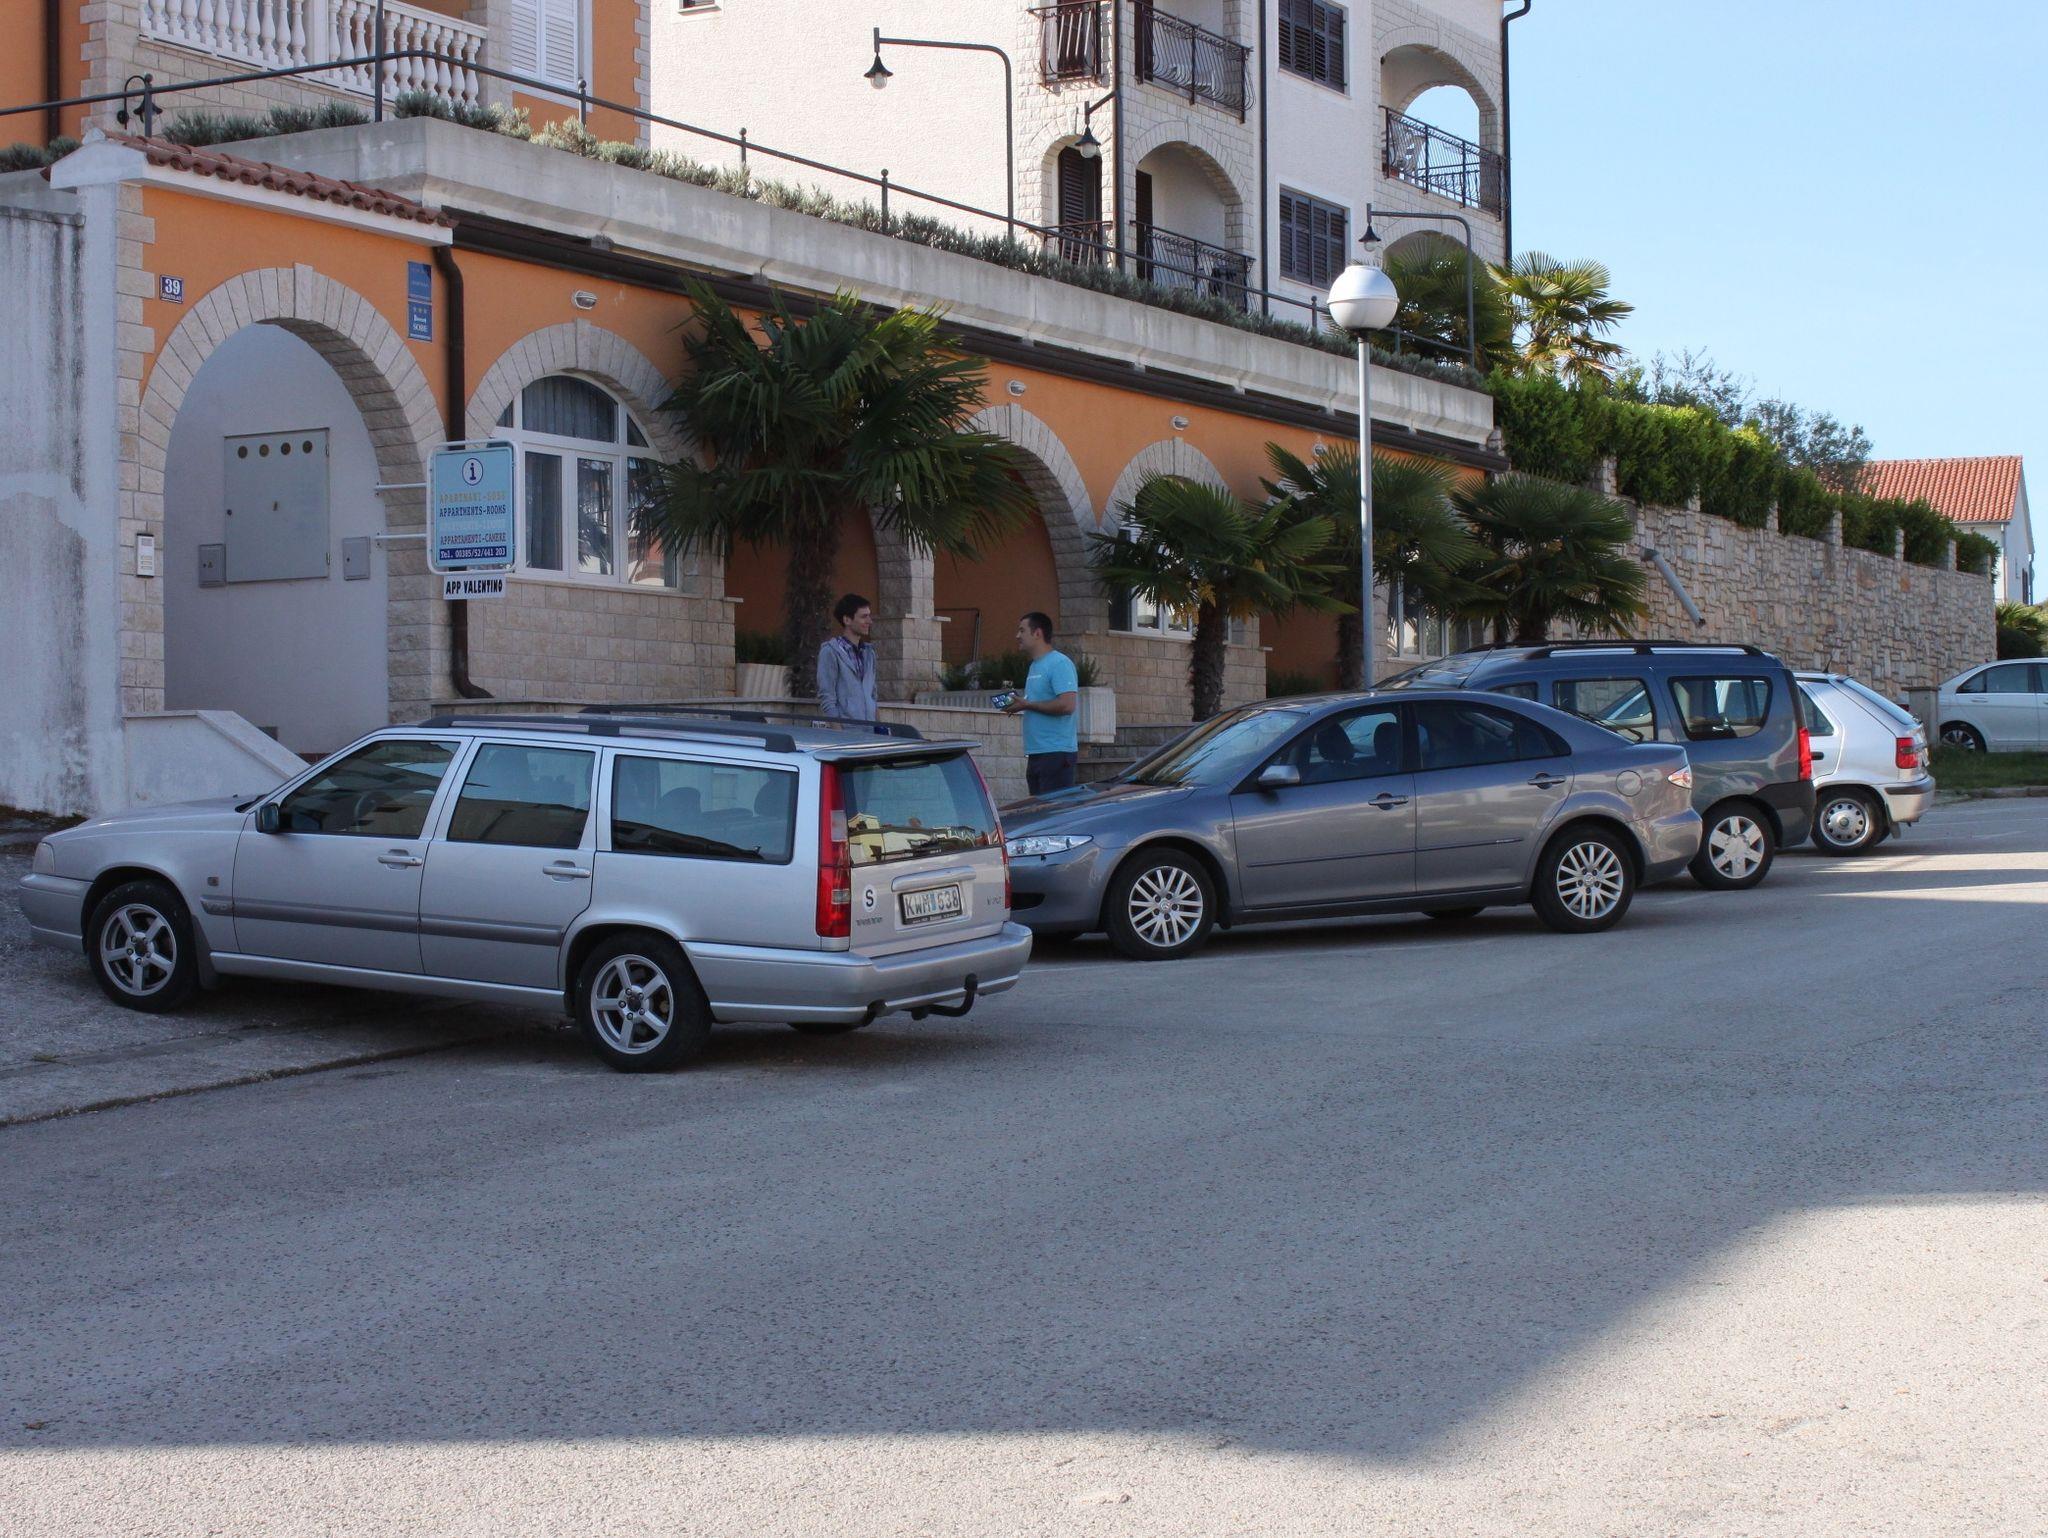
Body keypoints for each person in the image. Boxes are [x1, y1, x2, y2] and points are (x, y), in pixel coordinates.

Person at [1003, 611, 1079, 794]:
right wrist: (1021, 704)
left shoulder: (1059, 663)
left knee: (1054, 809)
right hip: (1037, 752)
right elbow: (1039, 702)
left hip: (1057, 753)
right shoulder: (1035, 666)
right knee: (1038, 808)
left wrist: (1028, 705)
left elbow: (1067, 705)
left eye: (1022, 630)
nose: (1017, 636)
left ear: (1037, 633)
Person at [817, 593, 877, 722]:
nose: (869, 621)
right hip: (847, 730)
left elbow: (873, 695)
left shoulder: (869, 653)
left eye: (869, 616)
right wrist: (839, 731)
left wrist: (881, 728)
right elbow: (827, 698)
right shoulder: (830, 652)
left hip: (870, 730)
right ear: (847, 620)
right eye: (864, 617)